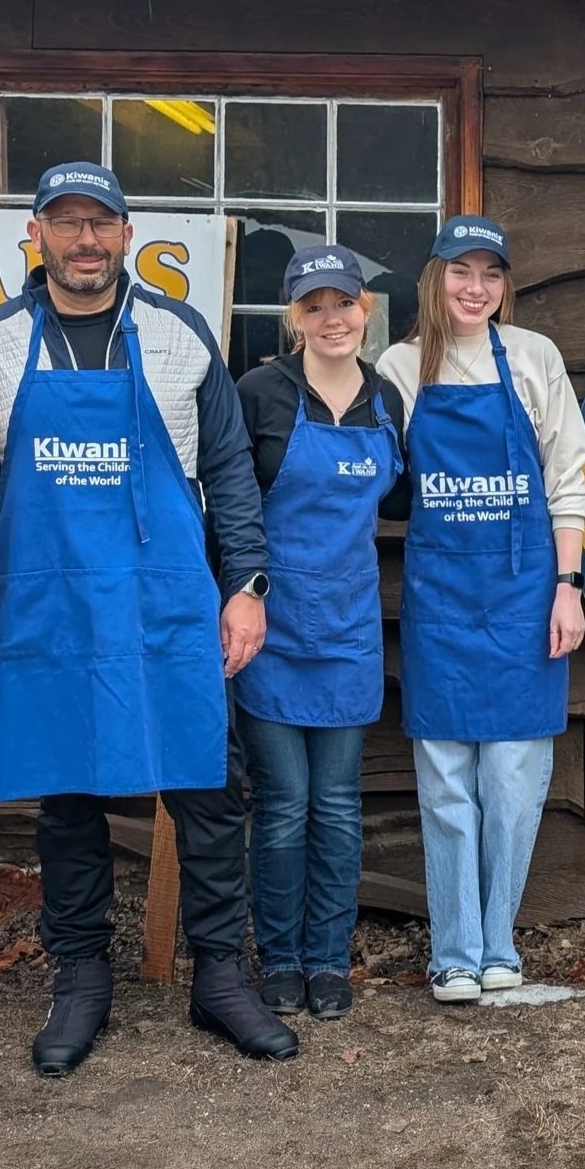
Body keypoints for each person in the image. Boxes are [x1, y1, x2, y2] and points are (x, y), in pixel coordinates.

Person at [0, 162, 295, 1072]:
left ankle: (221, 976)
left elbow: (229, 469)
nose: (85, 240)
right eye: (66, 222)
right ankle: (81, 979)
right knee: (66, 792)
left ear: (126, 233)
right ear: (36, 233)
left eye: (100, 223)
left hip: (167, 601)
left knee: (206, 784)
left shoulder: (176, 332)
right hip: (48, 606)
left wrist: (247, 587)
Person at [376, 217, 585, 1003]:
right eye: (460, 272)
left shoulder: (533, 358)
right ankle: (454, 950)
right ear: (434, 279)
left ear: (504, 285)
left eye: (490, 274)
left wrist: (569, 586)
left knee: (513, 780)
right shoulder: (397, 367)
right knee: (445, 786)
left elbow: (567, 478)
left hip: (526, 594)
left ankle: (500, 940)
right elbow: (369, 468)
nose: (475, 288)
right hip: (440, 598)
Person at [234, 246, 407, 1019]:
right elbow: (230, 510)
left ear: (365, 311)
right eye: (314, 306)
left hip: (349, 630)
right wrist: (241, 595)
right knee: (283, 804)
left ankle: (328, 961)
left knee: (337, 806)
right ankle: (280, 957)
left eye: (344, 303)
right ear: (293, 318)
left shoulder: (387, 401)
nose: (331, 319)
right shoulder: (260, 394)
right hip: (271, 626)